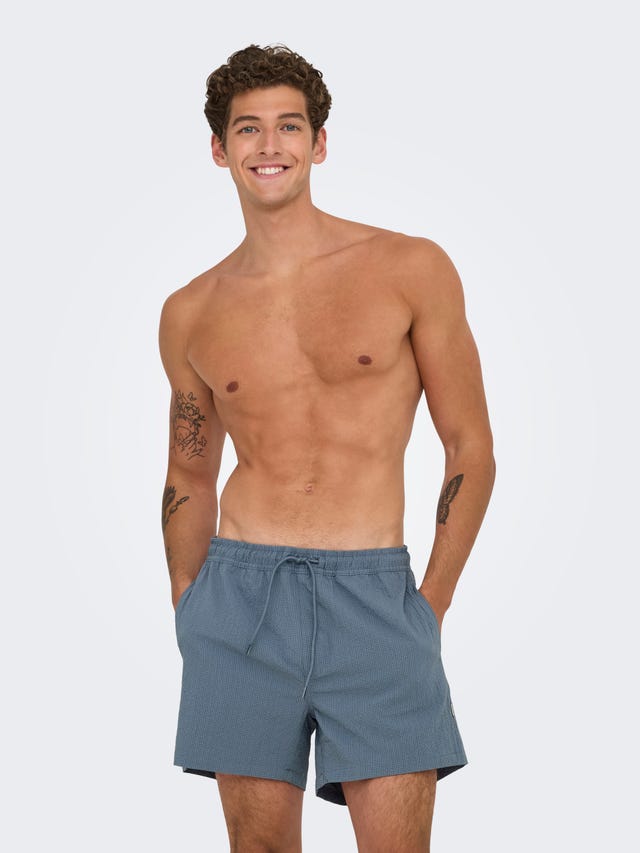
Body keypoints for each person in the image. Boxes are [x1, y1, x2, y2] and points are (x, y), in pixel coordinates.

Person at [159, 43, 496, 853]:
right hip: (239, 601)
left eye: (289, 125)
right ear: (219, 149)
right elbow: (188, 469)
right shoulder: (191, 309)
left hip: (376, 596)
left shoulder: (410, 267)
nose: (269, 144)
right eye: (247, 128)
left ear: (319, 142)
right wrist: (189, 602)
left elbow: (469, 445)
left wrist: (431, 601)